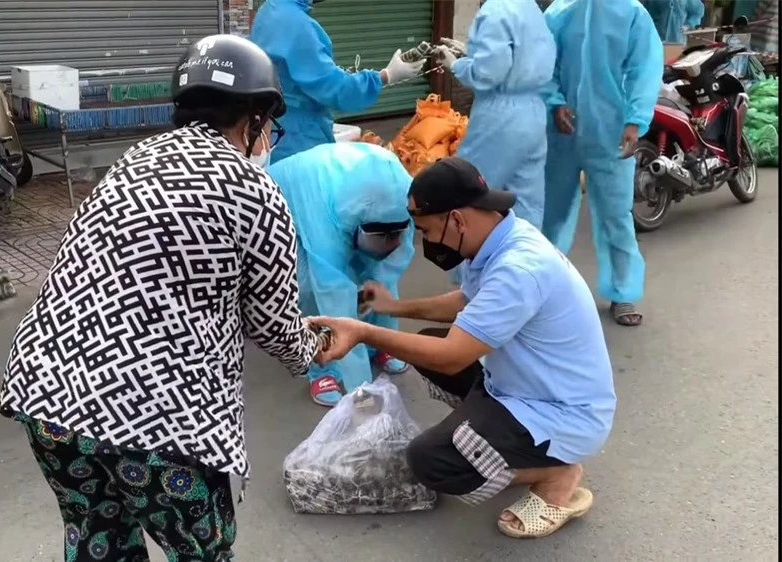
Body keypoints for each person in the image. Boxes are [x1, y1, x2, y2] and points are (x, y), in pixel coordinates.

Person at [0, 35, 325, 561]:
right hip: (154, 419)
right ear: (255, 118)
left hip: (48, 395)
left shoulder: (134, 159)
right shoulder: (254, 192)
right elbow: (272, 323)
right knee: (201, 551)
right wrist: (313, 347)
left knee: (98, 537)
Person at [308, 157, 616, 539]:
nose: (427, 242)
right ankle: (490, 438)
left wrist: (361, 332)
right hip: (526, 385)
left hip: (562, 412)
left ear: (455, 220)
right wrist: (392, 307)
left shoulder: (518, 268)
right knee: (425, 344)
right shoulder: (499, 237)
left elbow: (453, 357)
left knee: (431, 462)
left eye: (426, 230)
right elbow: (464, 303)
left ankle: (558, 472)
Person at [540, 0, 664, 326]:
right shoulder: (559, 12)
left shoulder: (631, 12)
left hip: (611, 131)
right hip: (563, 133)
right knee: (552, 214)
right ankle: (543, 289)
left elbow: (645, 67)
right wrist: (555, 103)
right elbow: (544, 65)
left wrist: (635, 121)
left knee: (616, 216)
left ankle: (623, 293)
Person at [266, 142, 415, 407]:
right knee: (311, 286)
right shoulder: (325, 214)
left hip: (353, 204)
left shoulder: (403, 199)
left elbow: (392, 264)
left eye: (395, 234)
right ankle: (323, 367)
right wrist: (362, 387)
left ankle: (381, 343)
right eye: (383, 235)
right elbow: (333, 291)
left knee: (378, 276)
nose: (391, 241)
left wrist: (376, 292)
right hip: (296, 204)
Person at [432, 0, 557, 230]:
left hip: (500, 118)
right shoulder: (528, 7)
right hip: (533, 114)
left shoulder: (495, 11)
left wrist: (457, 65)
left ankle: (475, 265)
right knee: (525, 204)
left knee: (468, 196)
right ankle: (524, 261)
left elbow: (488, 73)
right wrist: (470, 53)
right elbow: (520, 56)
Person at [249, 0, 425, 162]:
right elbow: (336, 89)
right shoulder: (296, 25)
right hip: (298, 140)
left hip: (273, 132)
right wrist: (386, 76)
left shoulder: (270, 10)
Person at [640, 0, 705, 44]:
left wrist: (688, 25)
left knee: (675, 62)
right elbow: (644, 12)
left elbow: (697, 11)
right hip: (656, 39)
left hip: (677, 40)